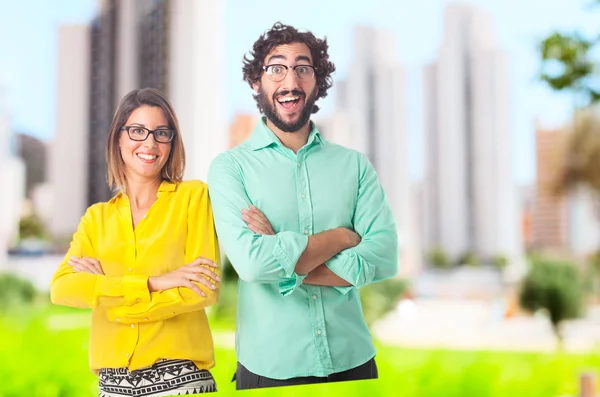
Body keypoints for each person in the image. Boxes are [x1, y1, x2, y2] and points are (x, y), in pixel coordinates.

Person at [207, 22, 399, 390]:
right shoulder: (230, 168)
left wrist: (281, 253)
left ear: (317, 81)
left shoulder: (354, 165)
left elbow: (386, 255)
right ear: (255, 82)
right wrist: (342, 237)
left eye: (302, 68)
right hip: (270, 366)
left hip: (352, 362)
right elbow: (251, 263)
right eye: (276, 68)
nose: (290, 81)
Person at [51, 88, 221, 396]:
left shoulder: (192, 197)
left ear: (172, 143)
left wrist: (112, 299)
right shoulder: (96, 218)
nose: (150, 143)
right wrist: (156, 283)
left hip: (181, 381)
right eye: (138, 131)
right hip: (112, 386)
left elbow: (203, 289)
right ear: (118, 138)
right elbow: (62, 288)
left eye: (161, 133)